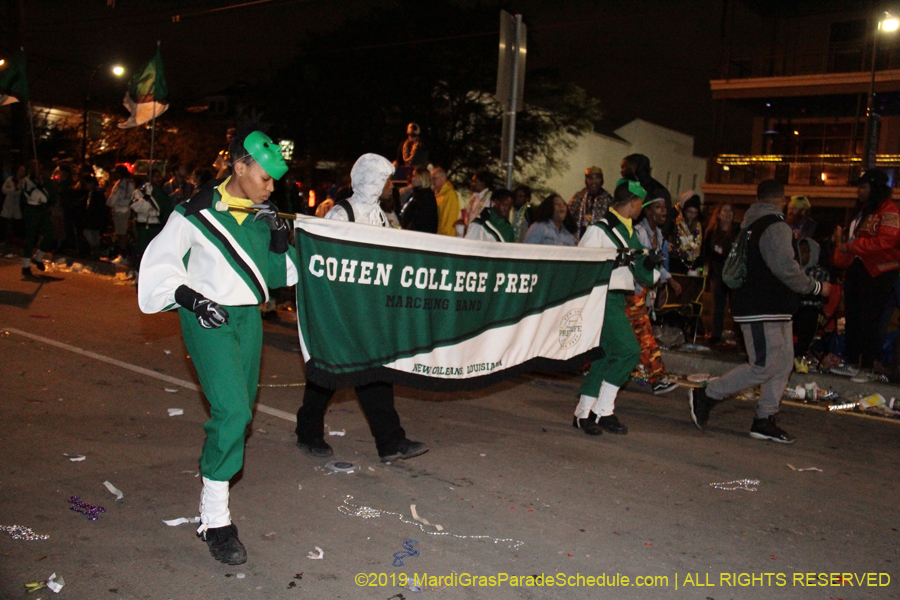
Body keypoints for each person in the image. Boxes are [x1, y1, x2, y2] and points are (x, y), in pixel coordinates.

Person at [138, 130, 299, 565]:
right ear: (240, 166)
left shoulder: (259, 214)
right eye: (266, 178)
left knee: (240, 413)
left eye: (274, 182)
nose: (271, 187)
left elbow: (279, 279)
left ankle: (215, 480)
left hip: (248, 319)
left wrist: (280, 240)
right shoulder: (194, 213)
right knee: (233, 411)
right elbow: (157, 269)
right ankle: (215, 519)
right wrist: (193, 300)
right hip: (207, 316)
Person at [295, 153, 427, 463]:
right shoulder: (342, 214)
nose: (388, 188)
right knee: (327, 372)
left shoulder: (382, 215)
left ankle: (390, 441)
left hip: (369, 312)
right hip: (341, 311)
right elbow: (323, 261)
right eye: (383, 181)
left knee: (375, 372)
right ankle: (308, 432)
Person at [690, 180, 830, 444]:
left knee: (782, 365)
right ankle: (708, 394)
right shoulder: (774, 227)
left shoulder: (751, 226)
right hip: (763, 308)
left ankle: (764, 418)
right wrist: (816, 287)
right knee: (764, 366)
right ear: (782, 199)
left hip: (772, 308)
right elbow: (786, 269)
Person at [573, 180, 663, 436]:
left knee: (605, 357)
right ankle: (602, 411)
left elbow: (646, 277)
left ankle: (586, 412)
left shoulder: (630, 232)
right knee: (629, 352)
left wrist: (651, 263)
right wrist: (615, 261)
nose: (641, 210)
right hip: (600, 299)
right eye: (640, 205)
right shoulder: (599, 230)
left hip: (616, 299)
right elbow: (581, 268)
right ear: (632, 204)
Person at [831, 169, 900, 381]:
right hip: (858, 267)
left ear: (875, 188)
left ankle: (867, 367)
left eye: (863, 187)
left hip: (880, 271)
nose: (859, 191)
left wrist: (852, 246)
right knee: (853, 316)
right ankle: (852, 362)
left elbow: (886, 241)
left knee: (869, 319)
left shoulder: (890, 211)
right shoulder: (862, 210)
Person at [629, 196, 679, 395]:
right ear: (647, 211)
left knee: (631, 337)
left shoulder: (658, 233)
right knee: (645, 336)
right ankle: (657, 377)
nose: (663, 211)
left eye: (665, 208)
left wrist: (671, 281)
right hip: (631, 292)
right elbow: (637, 264)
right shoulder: (640, 233)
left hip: (642, 293)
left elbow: (656, 266)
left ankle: (592, 367)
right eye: (658, 207)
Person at [702, 202, 740, 344]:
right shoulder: (712, 231)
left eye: (730, 211)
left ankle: (738, 334)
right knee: (718, 305)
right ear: (718, 214)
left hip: (733, 273)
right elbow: (707, 251)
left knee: (736, 305)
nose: (728, 214)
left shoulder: (737, 230)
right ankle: (716, 334)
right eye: (725, 211)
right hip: (717, 272)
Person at [793, 238, 829, 363]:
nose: (801, 253)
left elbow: (812, 293)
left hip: (810, 310)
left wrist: (804, 288)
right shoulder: (792, 271)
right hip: (793, 308)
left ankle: (801, 355)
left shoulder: (819, 272)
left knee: (809, 314)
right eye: (799, 250)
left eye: (805, 251)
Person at [131, 169, 174, 269]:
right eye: (155, 177)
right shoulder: (138, 192)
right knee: (143, 253)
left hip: (157, 227)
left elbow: (166, 210)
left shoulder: (161, 193)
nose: (158, 179)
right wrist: (147, 196)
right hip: (144, 228)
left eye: (159, 177)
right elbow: (138, 207)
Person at [19, 165, 55, 278]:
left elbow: (52, 194)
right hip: (32, 209)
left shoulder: (46, 181)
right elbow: (29, 193)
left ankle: (38, 257)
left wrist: (44, 183)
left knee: (49, 234)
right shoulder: (26, 181)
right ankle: (25, 266)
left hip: (44, 209)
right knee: (30, 236)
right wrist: (38, 184)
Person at [568, 166, 612, 244]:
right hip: (580, 238)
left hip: (600, 238)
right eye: (590, 178)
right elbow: (568, 215)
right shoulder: (579, 197)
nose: (594, 182)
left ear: (602, 180)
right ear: (586, 180)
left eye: (597, 178)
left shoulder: (608, 199)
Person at [105, 165, 135, 264]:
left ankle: (124, 255)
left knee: (123, 234)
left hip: (123, 211)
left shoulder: (128, 184)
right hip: (117, 210)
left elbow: (130, 198)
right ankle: (121, 254)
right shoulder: (118, 183)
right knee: (119, 234)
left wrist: (121, 205)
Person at [669, 190, 703, 275]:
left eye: (695, 213)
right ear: (685, 211)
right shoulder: (676, 223)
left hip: (693, 263)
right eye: (690, 212)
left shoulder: (698, 226)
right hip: (676, 261)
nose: (692, 215)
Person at [399, 166, 438, 233]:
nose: (412, 179)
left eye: (414, 176)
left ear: (422, 178)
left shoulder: (426, 197)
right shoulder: (415, 195)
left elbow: (420, 221)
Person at [1, 164, 25, 251]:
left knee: (16, 224)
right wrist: (13, 190)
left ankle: (15, 242)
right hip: (9, 204)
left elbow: (20, 192)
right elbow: (4, 190)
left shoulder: (23, 181)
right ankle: (8, 242)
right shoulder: (9, 180)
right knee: (8, 223)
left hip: (18, 205)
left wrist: (13, 191)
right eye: (21, 170)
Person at [431, 166, 460, 237]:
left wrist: (445, 237)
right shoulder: (436, 194)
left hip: (444, 237)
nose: (432, 181)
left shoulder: (450, 195)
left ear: (443, 178)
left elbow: (449, 219)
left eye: (434, 178)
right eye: (431, 179)